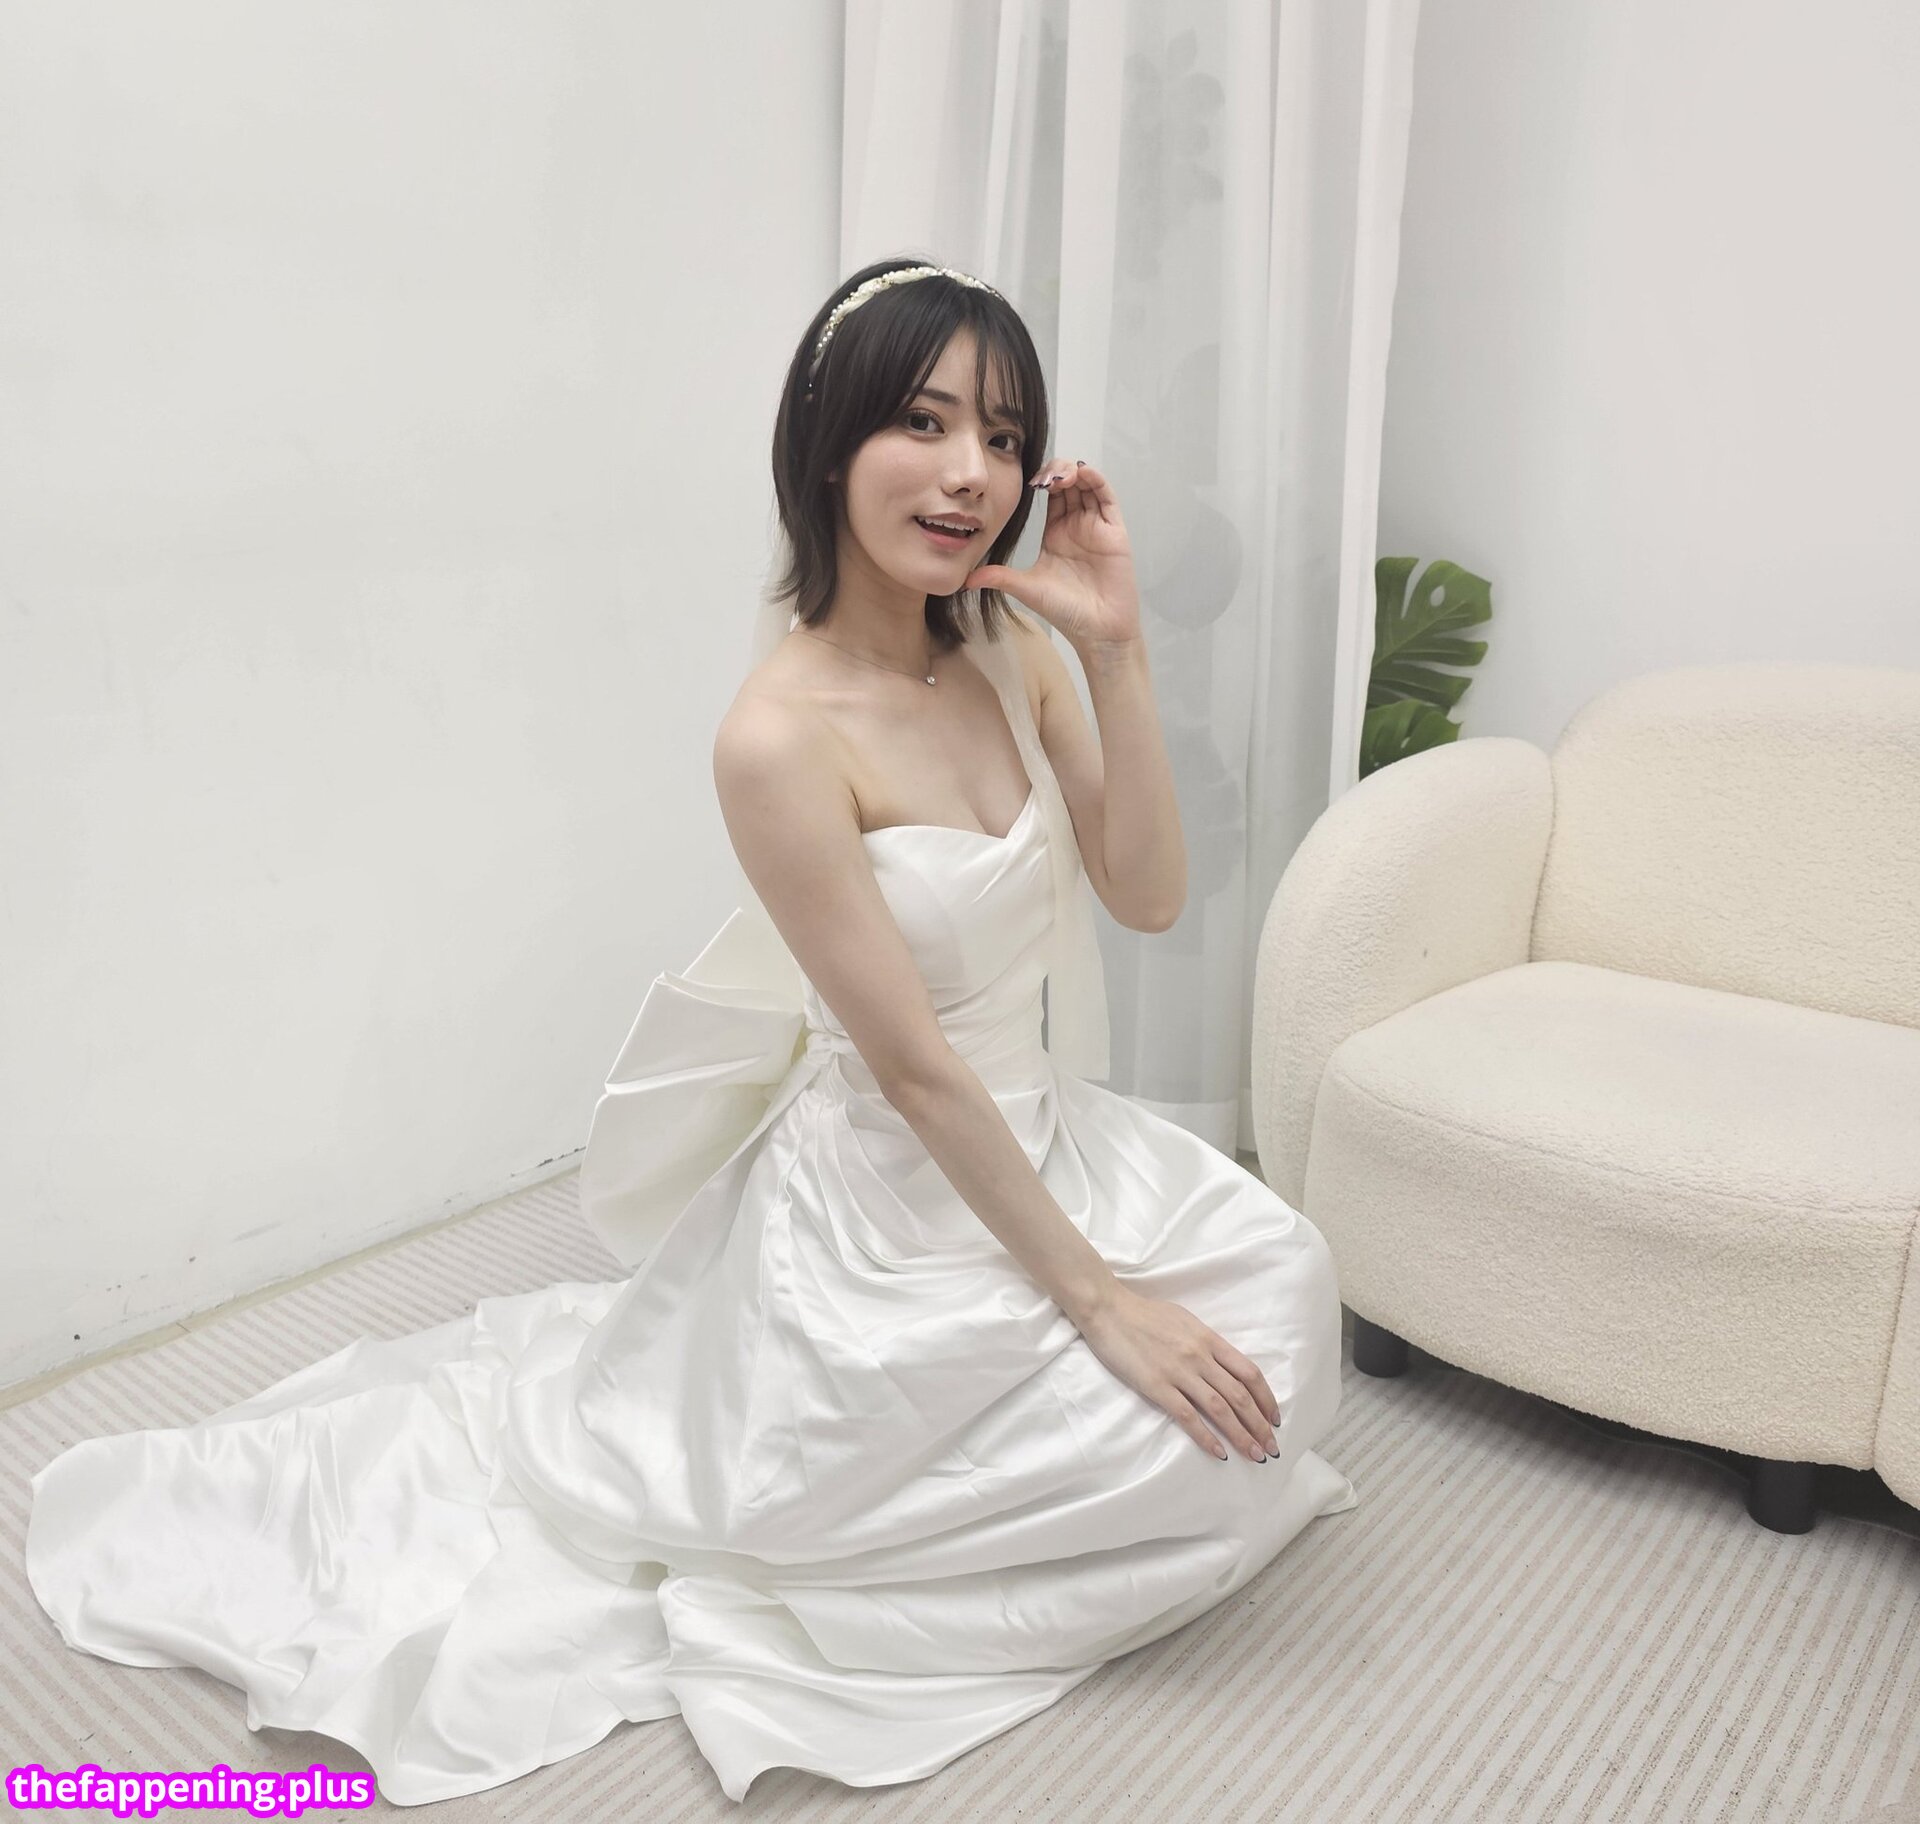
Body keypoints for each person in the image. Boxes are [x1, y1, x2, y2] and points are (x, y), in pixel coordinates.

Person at [23, 259, 1357, 1807]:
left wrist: (1116, 649)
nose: (970, 475)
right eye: (924, 423)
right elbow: (914, 1067)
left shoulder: (1017, 656)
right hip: (891, 1210)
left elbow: (1148, 893)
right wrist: (1104, 1303)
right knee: (1155, 1414)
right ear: (830, 445)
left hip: (1048, 1138)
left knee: (1288, 1291)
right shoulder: (776, 737)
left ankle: (1024, 1484)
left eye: (1002, 437)